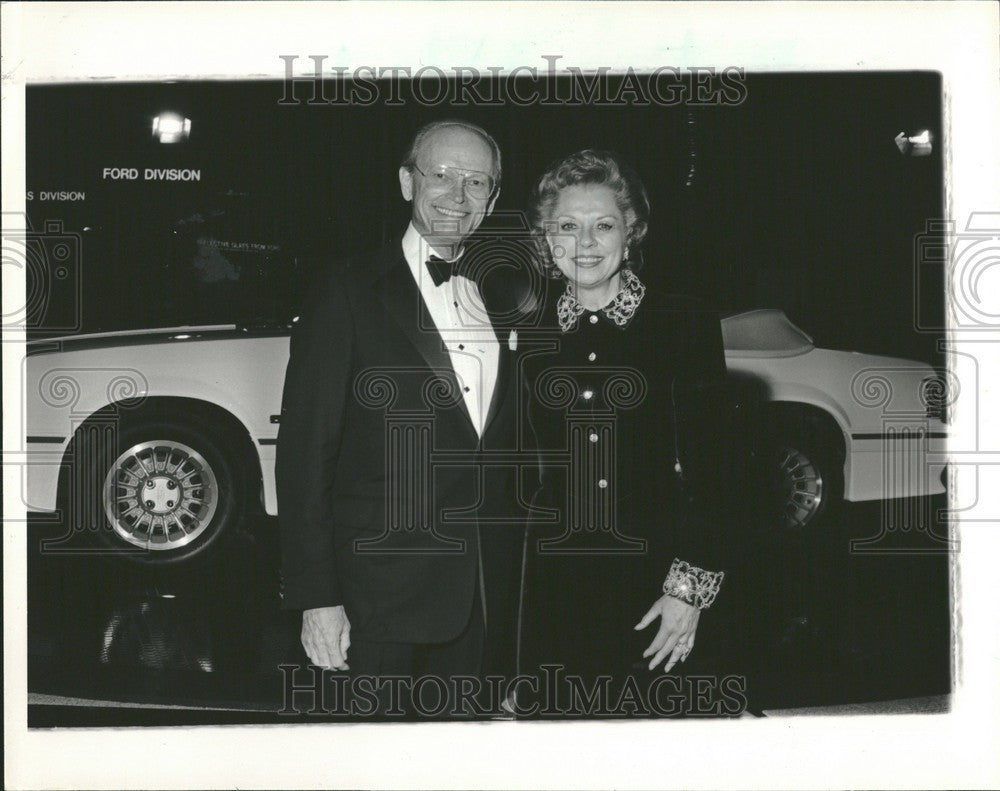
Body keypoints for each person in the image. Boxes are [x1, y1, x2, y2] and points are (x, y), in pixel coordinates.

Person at [276, 120, 527, 718]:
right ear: (406, 182)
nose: (456, 195)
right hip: (374, 601)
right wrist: (317, 598)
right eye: (440, 174)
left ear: (491, 201)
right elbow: (306, 452)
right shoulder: (346, 288)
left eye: (476, 182)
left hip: (482, 600)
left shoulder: (514, 294)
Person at [517, 149, 748, 717]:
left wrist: (688, 593)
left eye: (604, 225)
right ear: (547, 240)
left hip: (657, 586)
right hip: (555, 590)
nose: (585, 243)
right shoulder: (528, 335)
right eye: (567, 227)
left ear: (632, 232)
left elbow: (718, 470)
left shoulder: (683, 323)